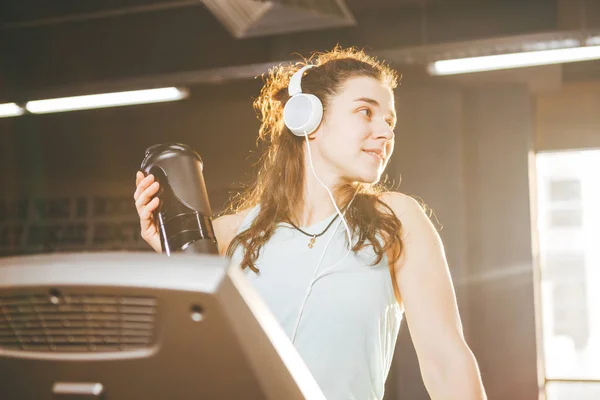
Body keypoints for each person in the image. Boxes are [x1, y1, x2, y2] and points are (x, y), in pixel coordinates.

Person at [133, 46, 486, 400]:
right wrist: (171, 253)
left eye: (390, 121)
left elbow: (446, 362)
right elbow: (201, 366)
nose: (386, 133)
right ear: (308, 118)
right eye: (366, 112)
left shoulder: (396, 221)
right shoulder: (227, 235)